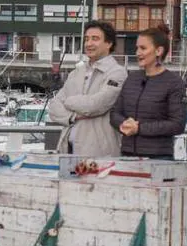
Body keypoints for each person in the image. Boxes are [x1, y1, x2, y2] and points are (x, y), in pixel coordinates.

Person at [47, 20, 127, 157]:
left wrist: (68, 102)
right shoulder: (76, 73)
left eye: (95, 39)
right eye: (86, 39)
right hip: (67, 149)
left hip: (99, 152)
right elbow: (53, 108)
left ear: (109, 43)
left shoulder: (117, 73)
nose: (89, 44)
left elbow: (96, 105)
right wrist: (73, 117)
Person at [110, 24, 187, 159]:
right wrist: (123, 124)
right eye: (137, 48)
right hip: (127, 156)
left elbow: (177, 124)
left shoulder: (174, 83)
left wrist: (139, 128)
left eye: (143, 48)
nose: (137, 53)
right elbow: (115, 113)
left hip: (158, 158)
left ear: (159, 51)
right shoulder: (131, 79)